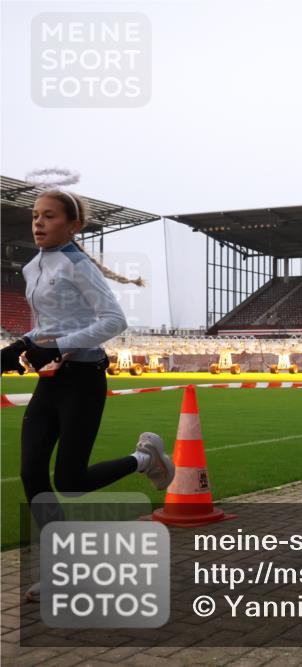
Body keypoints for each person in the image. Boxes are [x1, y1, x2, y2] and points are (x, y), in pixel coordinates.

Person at [0, 189, 174, 602]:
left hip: (83, 379)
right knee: (33, 473)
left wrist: (57, 347)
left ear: (73, 225)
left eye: (50, 217)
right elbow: (50, 323)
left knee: (71, 479)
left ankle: (146, 459)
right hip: (51, 380)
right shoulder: (30, 268)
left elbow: (114, 320)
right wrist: (21, 343)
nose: (38, 223)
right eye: (35, 216)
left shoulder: (78, 266)